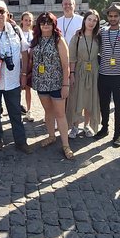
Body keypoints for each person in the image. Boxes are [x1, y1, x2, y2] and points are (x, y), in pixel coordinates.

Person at [0, 0, 33, 154]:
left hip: (13, 79)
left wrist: (24, 74)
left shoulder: (16, 30)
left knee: (15, 112)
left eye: (2, 11)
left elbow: (24, 52)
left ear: (7, 14)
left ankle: (20, 141)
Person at [29, 12, 73, 159]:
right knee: (48, 112)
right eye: (43, 22)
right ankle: (51, 136)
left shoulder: (58, 40)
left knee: (60, 114)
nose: (45, 25)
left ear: (53, 24)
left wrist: (65, 85)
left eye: (48, 22)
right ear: (39, 25)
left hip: (56, 83)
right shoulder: (36, 40)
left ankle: (66, 145)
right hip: (41, 83)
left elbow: (66, 64)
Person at [94, 2, 120, 147]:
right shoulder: (102, 31)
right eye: (110, 16)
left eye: (115, 16)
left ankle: (118, 134)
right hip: (103, 74)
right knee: (103, 104)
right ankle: (104, 128)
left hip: (118, 75)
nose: (112, 18)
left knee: (118, 107)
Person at [67, 10, 101, 138]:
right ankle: (75, 127)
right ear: (84, 20)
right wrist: (72, 73)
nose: (91, 23)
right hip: (79, 71)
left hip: (93, 72)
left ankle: (86, 126)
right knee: (77, 99)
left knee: (90, 99)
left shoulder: (98, 37)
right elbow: (72, 57)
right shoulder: (77, 36)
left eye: (94, 20)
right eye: (89, 19)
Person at [20, 11, 35, 122]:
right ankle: (17, 109)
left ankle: (29, 110)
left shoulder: (34, 34)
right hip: (19, 62)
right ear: (22, 21)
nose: (28, 22)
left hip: (30, 63)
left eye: (30, 20)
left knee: (28, 89)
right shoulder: (17, 32)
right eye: (26, 20)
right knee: (18, 88)